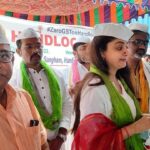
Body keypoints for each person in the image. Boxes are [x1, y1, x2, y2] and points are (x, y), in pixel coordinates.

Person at [71, 23, 150, 150]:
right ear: (102, 52)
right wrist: (135, 128)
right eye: (119, 48)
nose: (126, 51)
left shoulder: (120, 81)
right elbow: (92, 143)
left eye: (125, 46)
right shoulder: (94, 89)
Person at [9, 28, 72, 150]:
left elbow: (67, 103)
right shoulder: (14, 81)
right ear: (18, 51)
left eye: (38, 46)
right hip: (32, 143)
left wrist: (61, 136)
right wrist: (42, 139)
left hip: (59, 142)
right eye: (29, 46)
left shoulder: (57, 75)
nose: (36, 50)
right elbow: (16, 116)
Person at [0, 25, 49, 149]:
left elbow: (43, 143)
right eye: (29, 47)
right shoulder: (18, 77)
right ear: (19, 51)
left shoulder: (24, 98)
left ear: (12, 60)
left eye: (3, 56)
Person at [127, 23, 150, 113]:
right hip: (126, 124)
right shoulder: (116, 70)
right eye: (137, 42)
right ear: (126, 42)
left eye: (145, 42)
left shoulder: (148, 68)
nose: (142, 46)